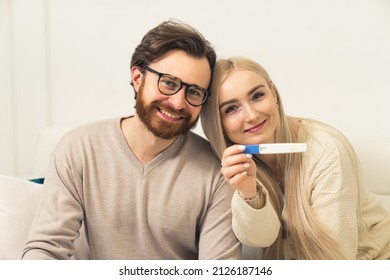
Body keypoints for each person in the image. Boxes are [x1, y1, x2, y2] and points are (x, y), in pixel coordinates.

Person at [22, 20, 241, 260]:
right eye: (169, 83)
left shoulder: (217, 171)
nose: (179, 103)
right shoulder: (79, 148)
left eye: (194, 92)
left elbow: (219, 269)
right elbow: (46, 249)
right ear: (138, 78)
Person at [201, 56, 390, 260]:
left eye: (257, 96)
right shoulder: (231, 165)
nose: (251, 115)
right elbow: (261, 239)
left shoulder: (326, 150)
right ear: (217, 122)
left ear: (273, 93)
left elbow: (335, 260)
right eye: (231, 109)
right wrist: (249, 193)